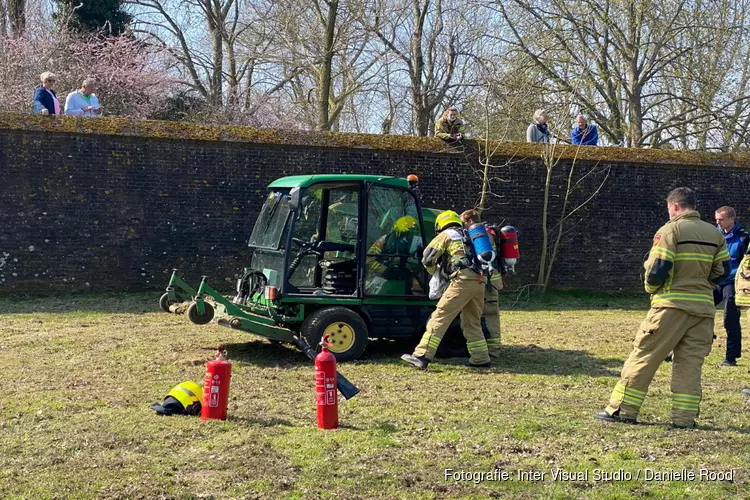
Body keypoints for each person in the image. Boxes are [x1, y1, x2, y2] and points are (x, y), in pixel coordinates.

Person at [595, 187, 730, 428]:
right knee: (689, 365)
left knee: (644, 356)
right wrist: (701, 286)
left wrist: (651, 288)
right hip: (703, 310)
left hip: (670, 307)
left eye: (669, 208)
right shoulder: (715, 233)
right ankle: (684, 420)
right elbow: (723, 272)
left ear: (675, 206)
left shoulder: (670, 230)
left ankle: (622, 410)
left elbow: (658, 269)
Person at [401, 210, 491, 369]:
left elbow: (427, 258)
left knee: (440, 316)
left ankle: (422, 355)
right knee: (472, 321)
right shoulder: (469, 235)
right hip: (479, 280)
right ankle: (481, 358)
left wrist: (436, 274)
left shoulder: (446, 235)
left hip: (462, 280)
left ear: (439, 225)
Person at [460, 209, 502, 358]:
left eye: (464, 223)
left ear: (470, 221)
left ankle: (492, 350)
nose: (464, 227)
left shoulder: (478, 236)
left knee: (485, 314)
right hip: (492, 279)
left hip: (484, 280)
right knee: (491, 314)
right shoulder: (489, 233)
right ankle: (493, 348)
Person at [713, 206, 749, 366]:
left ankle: (731, 357)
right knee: (697, 311)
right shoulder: (713, 235)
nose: (717, 222)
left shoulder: (743, 238)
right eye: (716, 220)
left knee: (730, 319)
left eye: (721, 219)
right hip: (714, 281)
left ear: (731, 219)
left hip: (732, 282)